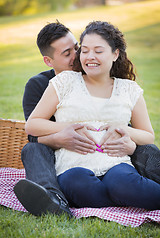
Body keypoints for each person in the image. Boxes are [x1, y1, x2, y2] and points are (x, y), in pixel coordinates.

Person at [14, 21, 160, 216]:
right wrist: (65, 132)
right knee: (75, 180)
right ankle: (53, 200)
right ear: (49, 61)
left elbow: (146, 135)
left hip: (115, 161)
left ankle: (126, 192)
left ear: (115, 54)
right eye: (83, 51)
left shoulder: (127, 88)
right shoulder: (58, 82)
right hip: (72, 162)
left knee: (124, 180)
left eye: (78, 49)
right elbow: (32, 128)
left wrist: (124, 132)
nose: (83, 56)